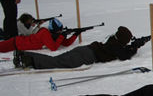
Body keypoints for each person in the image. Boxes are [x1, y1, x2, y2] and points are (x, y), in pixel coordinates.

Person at [13, 25, 141, 70]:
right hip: (86, 56)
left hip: (84, 50)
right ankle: (28, 60)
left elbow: (122, 51)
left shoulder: (112, 40)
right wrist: (135, 48)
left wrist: (133, 46)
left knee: (57, 59)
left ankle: (25, 55)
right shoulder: (116, 46)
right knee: (56, 62)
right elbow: (124, 56)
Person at [0, 17, 77, 52]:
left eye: (61, 32)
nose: (60, 33)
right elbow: (53, 48)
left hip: (18, 44)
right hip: (17, 42)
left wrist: (75, 35)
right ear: (53, 31)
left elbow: (65, 43)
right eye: (59, 32)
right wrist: (62, 36)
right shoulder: (45, 33)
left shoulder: (51, 35)